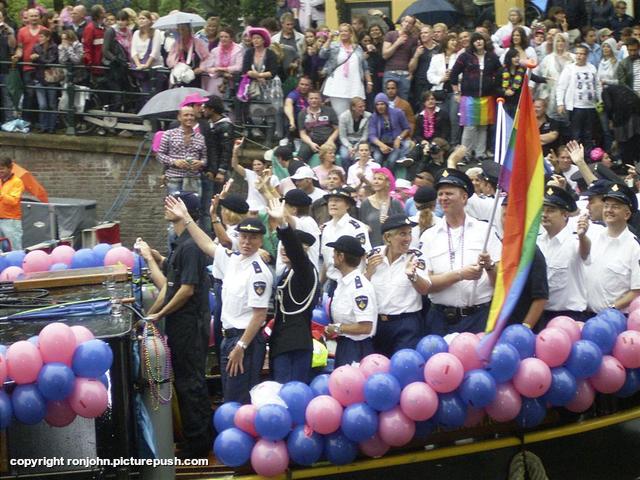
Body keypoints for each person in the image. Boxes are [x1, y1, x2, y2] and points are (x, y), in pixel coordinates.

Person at [166, 195, 273, 403]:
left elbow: (259, 315)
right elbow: (206, 244)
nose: (247, 242)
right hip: (228, 338)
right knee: (229, 398)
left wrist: (240, 347)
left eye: (253, 239)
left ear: (260, 241)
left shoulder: (259, 272)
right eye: (243, 237)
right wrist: (187, 217)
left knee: (238, 402)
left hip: (244, 341)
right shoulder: (233, 260)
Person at [145, 192, 212, 459]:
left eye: (173, 204)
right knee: (187, 380)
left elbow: (185, 291)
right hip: (180, 324)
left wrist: (159, 314)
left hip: (190, 325)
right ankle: (199, 436)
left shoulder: (191, 246)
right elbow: (171, 285)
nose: (166, 206)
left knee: (189, 382)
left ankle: (198, 443)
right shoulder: (179, 243)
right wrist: (151, 315)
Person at [419, 169, 502, 335]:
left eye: (449, 193)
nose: (443, 198)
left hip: (477, 318)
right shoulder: (429, 236)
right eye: (440, 194)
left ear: (464, 197)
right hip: (439, 320)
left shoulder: (485, 231)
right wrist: (460, 275)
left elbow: (501, 282)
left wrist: (490, 266)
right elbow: (425, 284)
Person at [267, 198, 318, 383]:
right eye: (282, 245)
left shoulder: (304, 270)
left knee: (290, 396)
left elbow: (296, 253)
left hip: (294, 344)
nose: (283, 249)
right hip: (282, 341)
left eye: (288, 246)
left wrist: (283, 225)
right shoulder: (286, 272)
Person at [365, 214, 430, 356]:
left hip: (406, 324)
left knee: (401, 364)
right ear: (388, 238)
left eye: (409, 233)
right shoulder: (373, 255)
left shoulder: (416, 256)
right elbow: (360, 289)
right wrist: (368, 272)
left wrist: (413, 276)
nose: (408, 239)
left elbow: (425, 289)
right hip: (377, 324)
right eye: (402, 234)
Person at [537, 186, 590, 329]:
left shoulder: (575, 241)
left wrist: (582, 235)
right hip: (541, 315)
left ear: (565, 214)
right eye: (543, 209)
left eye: (551, 210)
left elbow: (585, 252)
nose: (544, 214)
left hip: (569, 317)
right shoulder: (537, 243)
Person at [586, 182, 640, 313]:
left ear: (627, 214)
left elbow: (636, 291)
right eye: (606, 206)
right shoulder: (593, 236)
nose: (609, 210)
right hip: (585, 316)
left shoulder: (634, 247)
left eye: (615, 207)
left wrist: (611, 309)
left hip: (614, 320)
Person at [324, 235, 377, 367]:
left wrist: (336, 328)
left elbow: (365, 327)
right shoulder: (343, 283)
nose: (332, 257)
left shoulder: (359, 287)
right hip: (344, 344)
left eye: (335, 253)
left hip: (356, 348)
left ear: (341, 257)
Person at [450, 32, 501, 159]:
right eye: (475, 40)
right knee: (470, 126)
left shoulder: (492, 57)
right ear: (472, 43)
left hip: (487, 96)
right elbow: (453, 74)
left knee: (483, 126)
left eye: (480, 40)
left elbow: (500, 73)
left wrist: (496, 87)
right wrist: (456, 92)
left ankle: (480, 153)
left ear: (484, 41)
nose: (478, 42)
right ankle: (465, 154)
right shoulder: (464, 57)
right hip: (469, 97)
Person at [556, 45, 602, 158]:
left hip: (590, 106)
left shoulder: (592, 68)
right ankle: (575, 159)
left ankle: (588, 159)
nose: (579, 56)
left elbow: (597, 85)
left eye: (582, 54)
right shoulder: (569, 68)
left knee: (588, 135)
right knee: (575, 135)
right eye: (577, 53)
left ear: (586, 56)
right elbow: (561, 86)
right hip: (575, 107)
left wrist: (600, 100)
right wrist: (560, 103)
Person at [320, 187, 372, 285]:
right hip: (332, 282)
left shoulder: (356, 227)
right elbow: (326, 261)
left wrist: (363, 282)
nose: (333, 204)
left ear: (347, 205)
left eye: (338, 200)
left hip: (351, 282)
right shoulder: (326, 228)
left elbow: (366, 256)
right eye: (330, 201)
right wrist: (320, 285)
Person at [156, 106, 206, 197]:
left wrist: (201, 163)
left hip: (193, 179)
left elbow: (205, 157)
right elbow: (159, 155)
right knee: (174, 208)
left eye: (191, 115)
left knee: (193, 208)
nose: (189, 118)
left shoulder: (200, 137)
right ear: (179, 117)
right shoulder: (169, 134)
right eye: (186, 115)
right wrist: (174, 162)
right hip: (174, 178)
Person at [200, 96, 232, 230]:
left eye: (205, 108)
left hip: (219, 171)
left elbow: (226, 150)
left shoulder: (225, 126)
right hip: (211, 169)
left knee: (217, 202)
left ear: (212, 109)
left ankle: (217, 230)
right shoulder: (211, 125)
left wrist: (221, 170)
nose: (203, 111)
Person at [368, 92, 412, 177]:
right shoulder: (373, 117)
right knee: (377, 158)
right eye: (377, 104)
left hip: (394, 143)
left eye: (382, 104)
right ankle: (377, 179)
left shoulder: (398, 113)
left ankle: (390, 179)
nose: (380, 106)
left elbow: (407, 128)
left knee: (391, 160)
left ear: (386, 104)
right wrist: (381, 145)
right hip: (380, 144)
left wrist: (399, 138)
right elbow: (372, 136)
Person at [359, 168, 404, 247]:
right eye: (374, 179)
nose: (376, 181)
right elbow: (360, 226)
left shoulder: (395, 203)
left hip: (392, 247)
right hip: (372, 247)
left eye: (380, 179)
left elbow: (403, 225)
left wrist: (391, 222)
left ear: (388, 182)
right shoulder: (365, 203)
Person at [382, 15, 418, 101]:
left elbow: (412, 59)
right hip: (390, 72)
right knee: (387, 102)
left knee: (402, 103)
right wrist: (397, 43)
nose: (407, 24)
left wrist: (411, 73)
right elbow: (385, 55)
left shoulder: (413, 39)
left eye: (410, 23)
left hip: (405, 74)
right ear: (401, 22)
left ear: (412, 26)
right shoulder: (391, 34)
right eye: (406, 21)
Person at [297, 90, 339, 162]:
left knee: (330, 154)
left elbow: (337, 129)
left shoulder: (329, 111)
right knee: (300, 158)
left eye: (316, 98)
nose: (314, 100)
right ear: (307, 100)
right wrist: (311, 143)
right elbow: (302, 133)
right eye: (311, 98)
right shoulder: (302, 114)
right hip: (311, 141)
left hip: (328, 140)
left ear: (320, 99)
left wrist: (330, 140)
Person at [200, 26, 242, 97]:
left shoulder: (238, 50)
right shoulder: (215, 51)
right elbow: (208, 68)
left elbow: (239, 67)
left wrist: (225, 69)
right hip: (216, 82)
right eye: (221, 37)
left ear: (231, 38)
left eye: (226, 37)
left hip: (232, 82)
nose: (223, 39)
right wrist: (217, 70)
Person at [31, 28, 59, 134]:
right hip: (39, 78)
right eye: (39, 36)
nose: (39, 38)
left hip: (51, 79)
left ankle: (51, 127)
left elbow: (51, 61)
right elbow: (34, 63)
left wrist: (38, 58)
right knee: (42, 105)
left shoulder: (54, 47)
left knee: (52, 104)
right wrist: (34, 58)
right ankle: (44, 126)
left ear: (48, 38)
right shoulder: (36, 47)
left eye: (42, 36)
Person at [338, 97, 371, 172]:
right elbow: (342, 136)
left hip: (361, 142)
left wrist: (356, 146)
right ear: (353, 107)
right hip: (347, 142)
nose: (363, 108)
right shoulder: (343, 117)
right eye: (360, 107)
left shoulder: (368, 116)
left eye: (364, 106)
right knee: (344, 156)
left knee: (358, 156)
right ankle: (347, 175)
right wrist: (349, 147)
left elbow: (365, 135)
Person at [0, 157, 24, 250]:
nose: (0, 171)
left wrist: (1, 194)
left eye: (2, 168)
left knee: (15, 249)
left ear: (10, 168)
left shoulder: (17, 182)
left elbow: (13, 201)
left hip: (11, 220)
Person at [0, 11, 16, 123]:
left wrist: (8, 32)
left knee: (6, 95)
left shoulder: (8, 30)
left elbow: (13, 46)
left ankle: (9, 121)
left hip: (4, 68)